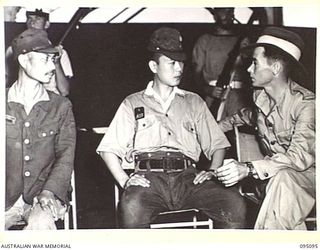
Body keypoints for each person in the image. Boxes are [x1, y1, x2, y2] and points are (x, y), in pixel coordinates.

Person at [96, 27, 246, 229]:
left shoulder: (193, 102)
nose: (179, 69)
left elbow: (218, 143)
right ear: (153, 66)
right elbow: (108, 149)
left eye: (181, 62)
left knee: (233, 203)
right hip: (149, 180)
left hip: (189, 179)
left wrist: (212, 171)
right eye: (172, 62)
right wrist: (125, 181)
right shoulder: (132, 103)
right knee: (131, 207)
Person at [218, 26, 315, 230]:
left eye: (254, 63)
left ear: (276, 68)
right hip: (278, 183)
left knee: (284, 180)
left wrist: (249, 168)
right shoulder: (261, 101)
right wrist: (208, 132)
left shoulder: (307, 105)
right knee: (282, 192)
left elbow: (298, 158)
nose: (248, 70)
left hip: (310, 179)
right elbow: (239, 118)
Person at [5, 28, 76, 230]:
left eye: (53, 59)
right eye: (45, 59)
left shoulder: (60, 106)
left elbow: (65, 156)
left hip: (45, 194)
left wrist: (50, 191)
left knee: (41, 224)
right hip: (6, 197)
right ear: (24, 61)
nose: (52, 66)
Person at [192, 7, 252, 121]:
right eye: (223, 10)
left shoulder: (243, 41)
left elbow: (251, 70)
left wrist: (247, 51)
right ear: (215, 14)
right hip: (214, 96)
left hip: (239, 99)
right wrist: (207, 89)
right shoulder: (205, 41)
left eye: (230, 10)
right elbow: (196, 74)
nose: (227, 14)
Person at [5, 8, 73, 96]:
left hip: (51, 103)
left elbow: (64, 91)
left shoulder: (61, 53)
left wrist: (57, 63)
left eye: (38, 18)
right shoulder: (12, 50)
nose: (32, 22)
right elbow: (6, 80)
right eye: (29, 18)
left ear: (47, 24)